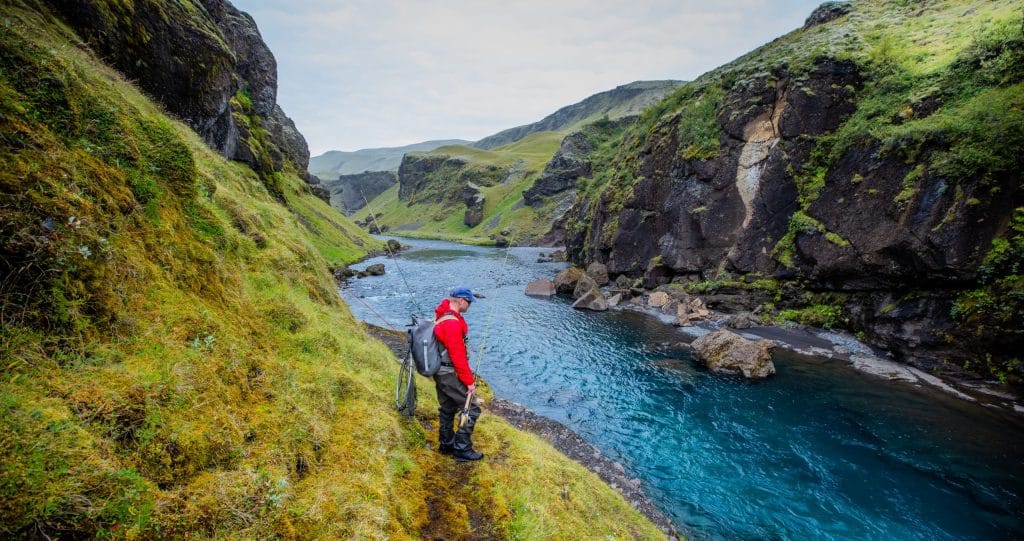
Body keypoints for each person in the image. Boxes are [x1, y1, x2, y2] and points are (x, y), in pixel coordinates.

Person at [432, 285, 483, 461]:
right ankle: (462, 449)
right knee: (473, 408)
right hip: (449, 373)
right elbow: (458, 356)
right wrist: (469, 382)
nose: (470, 305)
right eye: (469, 302)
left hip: (440, 371)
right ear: (461, 301)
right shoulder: (452, 324)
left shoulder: (443, 315)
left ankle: (446, 444)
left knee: (447, 407)